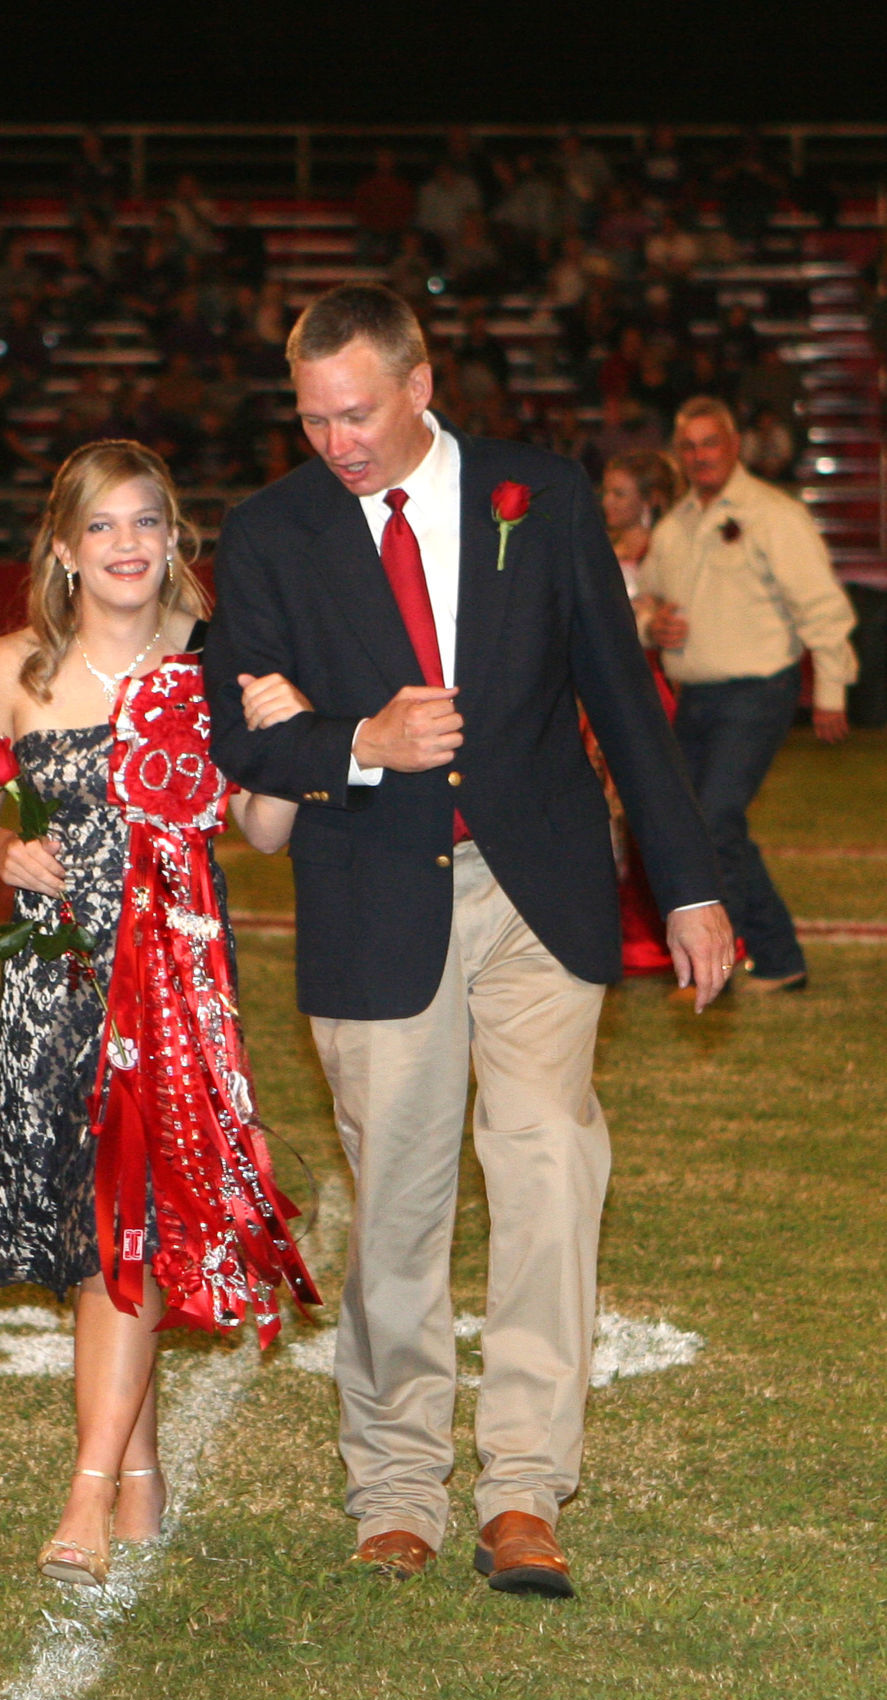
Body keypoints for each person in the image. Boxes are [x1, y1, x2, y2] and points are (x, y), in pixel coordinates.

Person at [204, 284, 731, 1595]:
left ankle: (520, 1486)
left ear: (418, 382)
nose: (336, 441)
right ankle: (393, 1483)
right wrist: (356, 743)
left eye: (357, 411)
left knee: (550, 1165)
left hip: (536, 888)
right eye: (313, 416)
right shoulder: (267, 532)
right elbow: (237, 731)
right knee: (396, 1199)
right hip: (372, 893)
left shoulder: (535, 495)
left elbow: (618, 689)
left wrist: (684, 883)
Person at [0, 440, 317, 1590]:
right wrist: (6, 848)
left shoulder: (215, 661)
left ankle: (88, 1489)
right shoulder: (14, 667)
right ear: (63, 547)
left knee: (128, 1228)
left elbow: (259, 830)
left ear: (175, 540)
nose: (125, 546)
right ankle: (143, 1473)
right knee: (90, 1230)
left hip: (175, 980)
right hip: (56, 982)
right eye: (101, 526)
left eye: (146, 522)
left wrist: (287, 736)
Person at [640, 396, 858, 994]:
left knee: (713, 820)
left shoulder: (774, 514)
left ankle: (720, 964)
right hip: (696, 698)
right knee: (706, 824)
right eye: (689, 446)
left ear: (734, 446)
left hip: (759, 692)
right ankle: (779, 956)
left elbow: (823, 608)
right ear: (678, 456)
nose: (700, 455)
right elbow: (642, 599)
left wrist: (833, 690)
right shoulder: (674, 523)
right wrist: (649, 627)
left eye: (711, 442)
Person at [598, 450, 683, 975]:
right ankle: (619, 932)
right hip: (602, 689)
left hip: (648, 685)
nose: (607, 503)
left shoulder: (665, 549)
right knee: (604, 812)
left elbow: (664, 617)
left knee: (648, 806)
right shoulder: (600, 547)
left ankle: (659, 932)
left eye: (620, 493)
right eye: (605, 492)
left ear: (649, 500)